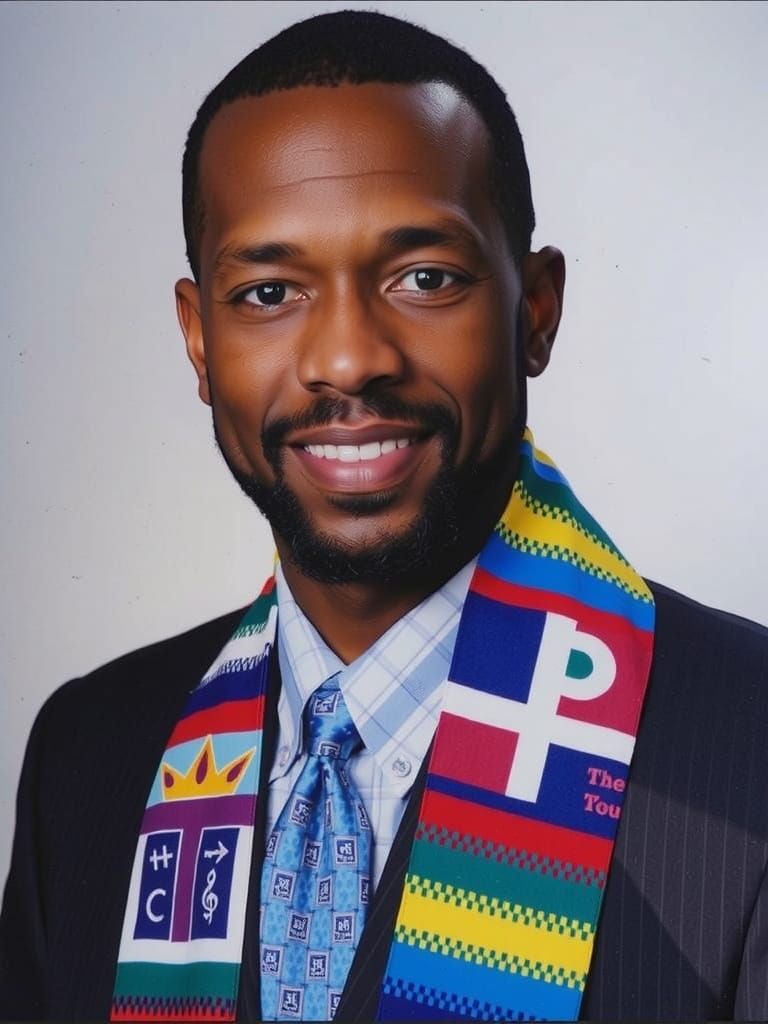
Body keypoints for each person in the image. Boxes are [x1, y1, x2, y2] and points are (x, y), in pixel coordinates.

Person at [1, 9, 767, 1022]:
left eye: (424, 278)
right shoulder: (89, 756)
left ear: (535, 311)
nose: (348, 358)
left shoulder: (745, 746)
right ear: (198, 340)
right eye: (268, 292)